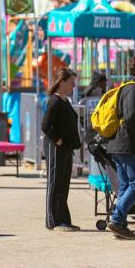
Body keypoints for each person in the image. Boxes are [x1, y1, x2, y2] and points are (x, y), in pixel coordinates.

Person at [105, 56, 135, 240]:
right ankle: (117, 220)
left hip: (120, 144)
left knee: (126, 185)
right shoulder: (134, 89)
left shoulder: (128, 88)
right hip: (127, 145)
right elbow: (132, 118)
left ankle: (120, 225)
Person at [41, 67, 82, 231]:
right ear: (62, 82)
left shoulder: (65, 101)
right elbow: (45, 125)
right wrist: (58, 141)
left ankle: (64, 219)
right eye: (71, 82)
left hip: (66, 149)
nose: (73, 86)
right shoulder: (55, 100)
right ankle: (52, 220)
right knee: (55, 183)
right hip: (56, 148)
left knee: (64, 184)